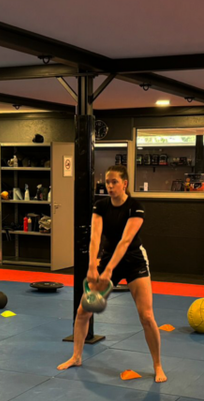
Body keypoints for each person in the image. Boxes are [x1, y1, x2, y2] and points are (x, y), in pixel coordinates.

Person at [58, 163, 166, 382]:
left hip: (134, 260)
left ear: (124, 184)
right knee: (83, 311)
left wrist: (108, 271)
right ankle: (76, 356)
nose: (109, 186)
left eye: (114, 182)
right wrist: (92, 266)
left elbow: (125, 241)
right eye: (107, 182)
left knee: (146, 316)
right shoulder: (100, 206)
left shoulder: (135, 207)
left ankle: (157, 365)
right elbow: (95, 237)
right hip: (108, 258)